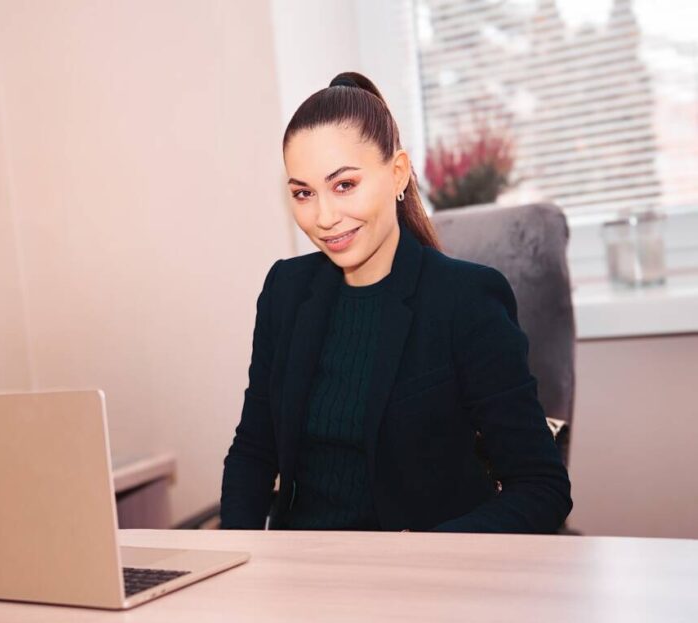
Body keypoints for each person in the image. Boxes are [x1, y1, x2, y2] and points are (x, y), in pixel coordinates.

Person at [219, 72, 572, 533]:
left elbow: (541, 488)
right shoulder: (286, 292)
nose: (324, 218)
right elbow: (254, 450)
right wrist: (241, 561)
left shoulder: (464, 300)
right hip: (301, 578)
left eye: (344, 185)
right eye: (304, 193)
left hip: (421, 581)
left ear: (397, 173)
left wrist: (422, 553)